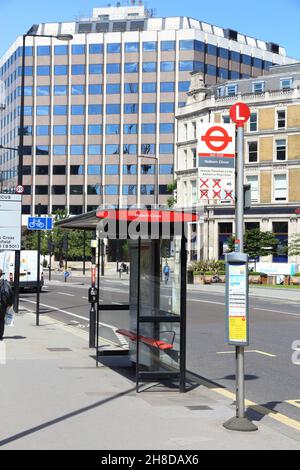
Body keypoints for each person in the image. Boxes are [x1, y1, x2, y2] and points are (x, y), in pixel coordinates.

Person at [0, 269, 14, 341]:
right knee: (1, 320)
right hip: (2, 304)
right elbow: (10, 293)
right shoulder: (5, 283)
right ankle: (0, 335)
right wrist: (10, 303)